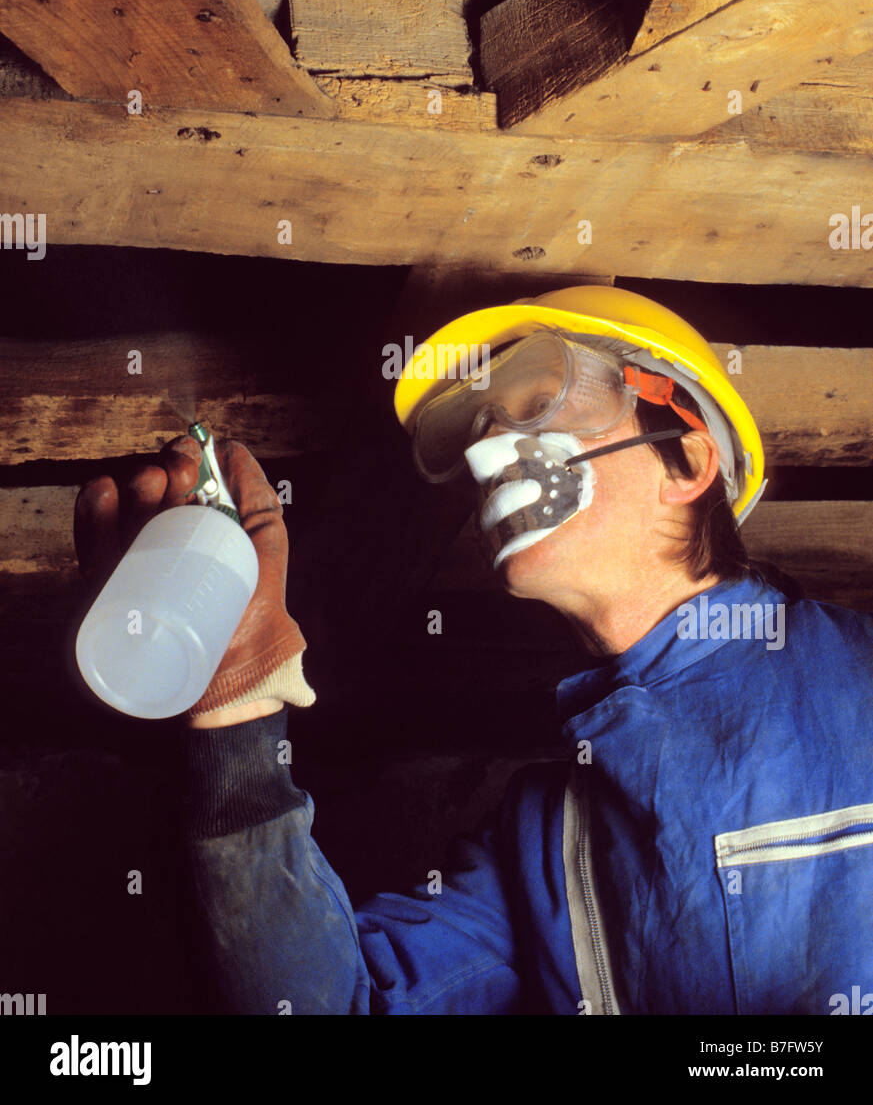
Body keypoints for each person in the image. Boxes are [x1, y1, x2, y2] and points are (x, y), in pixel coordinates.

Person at [74, 286, 873, 1015]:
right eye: (481, 426)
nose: (491, 450)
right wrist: (234, 721)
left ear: (689, 458)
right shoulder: (540, 843)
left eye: (539, 402)